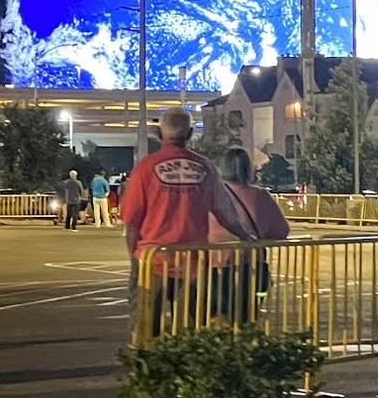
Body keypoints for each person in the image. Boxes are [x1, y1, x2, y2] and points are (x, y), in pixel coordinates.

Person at [121, 109, 253, 336]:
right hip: (194, 262)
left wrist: (134, 255)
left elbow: (132, 222)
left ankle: (147, 366)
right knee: (191, 333)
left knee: (145, 329)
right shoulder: (206, 168)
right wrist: (244, 236)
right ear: (190, 133)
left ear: (158, 133)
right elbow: (225, 213)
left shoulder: (145, 169)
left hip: (153, 259)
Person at [207, 147, 290, 322]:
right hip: (250, 266)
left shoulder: (210, 195)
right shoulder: (260, 196)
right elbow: (281, 230)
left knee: (214, 318)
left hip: (213, 267)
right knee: (246, 315)